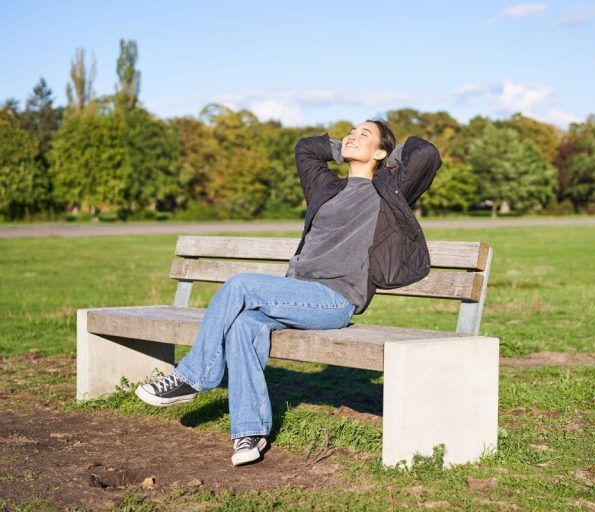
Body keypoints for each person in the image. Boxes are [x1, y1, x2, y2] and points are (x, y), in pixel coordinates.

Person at [135, 119, 441, 466]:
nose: (353, 136)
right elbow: (306, 149)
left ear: (381, 151)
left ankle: (193, 376)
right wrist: (343, 148)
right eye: (351, 132)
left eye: (364, 135)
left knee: (241, 284)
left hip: (335, 299)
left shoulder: (388, 192)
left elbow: (426, 153)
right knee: (243, 326)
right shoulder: (326, 187)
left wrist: (388, 158)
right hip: (297, 292)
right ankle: (249, 433)